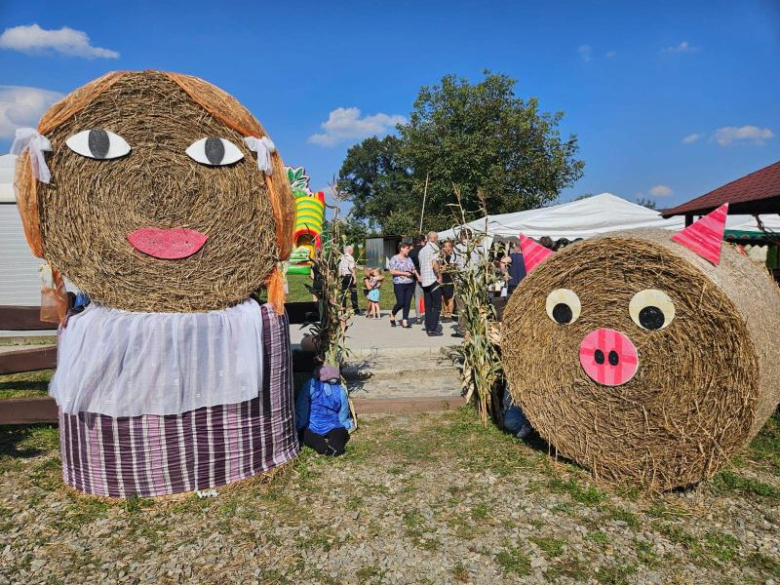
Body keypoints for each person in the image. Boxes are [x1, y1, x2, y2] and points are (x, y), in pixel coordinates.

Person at [296, 365, 354, 456]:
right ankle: (335, 446)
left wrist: (300, 423)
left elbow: (303, 405)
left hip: (312, 424)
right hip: (332, 424)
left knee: (306, 435)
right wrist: (344, 422)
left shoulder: (312, 385)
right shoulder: (340, 389)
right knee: (340, 431)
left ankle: (321, 447)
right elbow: (343, 410)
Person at [388, 240, 418, 328]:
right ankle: (393, 314)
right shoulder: (394, 258)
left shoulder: (409, 258)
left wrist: (417, 275)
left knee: (407, 303)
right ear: (402, 248)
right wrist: (404, 273)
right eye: (407, 249)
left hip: (410, 283)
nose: (409, 250)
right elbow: (392, 271)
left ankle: (405, 321)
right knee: (400, 302)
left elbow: (413, 268)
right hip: (399, 283)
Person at [419, 231, 443, 336]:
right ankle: (433, 328)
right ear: (433, 238)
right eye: (437, 237)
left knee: (428, 305)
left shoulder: (422, 250)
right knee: (437, 305)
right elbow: (435, 263)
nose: (437, 239)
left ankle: (428, 327)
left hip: (424, 280)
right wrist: (439, 275)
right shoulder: (434, 248)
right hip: (433, 279)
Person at [408, 235, 425, 325]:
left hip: (415, 276)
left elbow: (410, 266)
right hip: (426, 275)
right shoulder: (426, 250)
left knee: (417, 297)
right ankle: (428, 315)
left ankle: (418, 317)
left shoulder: (411, 252)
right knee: (427, 296)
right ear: (423, 241)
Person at [338, 245, 360, 315]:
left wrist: (340, 277)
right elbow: (352, 269)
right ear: (350, 250)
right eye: (352, 250)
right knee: (353, 293)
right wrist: (355, 278)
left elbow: (340, 269)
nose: (353, 251)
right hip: (350, 277)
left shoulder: (342, 257)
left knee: (343, 293)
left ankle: (343, 309)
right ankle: (356, 309)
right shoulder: (351, 258)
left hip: (343, 277)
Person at [439, 240, 457, 322]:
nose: (446, 248)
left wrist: (444, 268)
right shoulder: (442, 257)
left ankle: (449, 314)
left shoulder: (452, 257)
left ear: (451, 247)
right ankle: (445, 312)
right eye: (444, 246)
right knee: (443, 298)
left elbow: (451, 268)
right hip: (442, 279)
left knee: (450, 297)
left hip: (449, 279)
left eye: (448, 246)